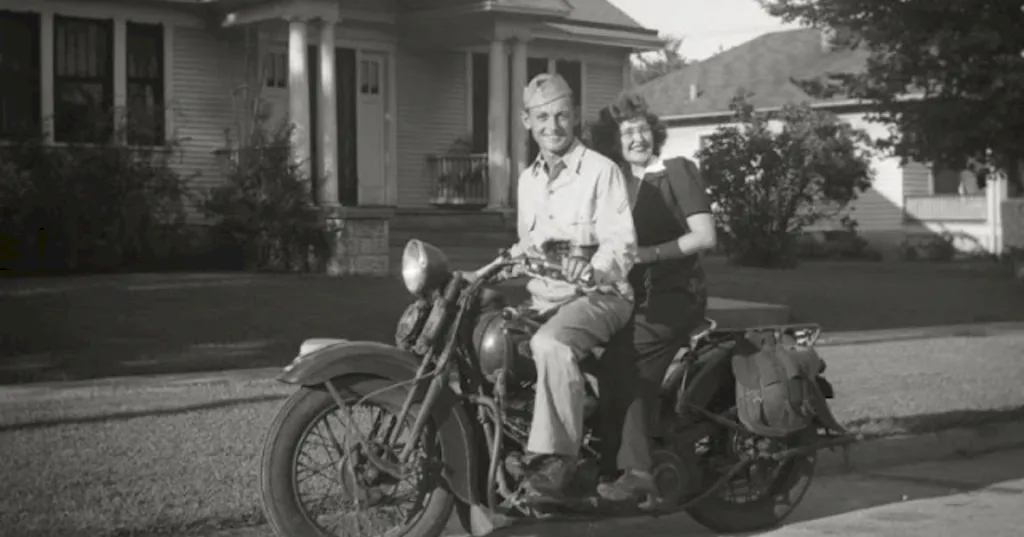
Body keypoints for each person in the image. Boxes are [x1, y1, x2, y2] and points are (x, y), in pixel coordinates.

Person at [505, 73, 638, 503]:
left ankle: (556, 461)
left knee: (551, 345)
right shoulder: (528, 180)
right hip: (545, 298)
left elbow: (621, 244)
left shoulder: (601, 172)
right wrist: (486, 271)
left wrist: (593, 269)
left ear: (574, 117)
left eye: (561, 115)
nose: (552, 125)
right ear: (527, 120)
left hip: (602, 296)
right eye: (542, 116)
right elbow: (529, 245)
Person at [585, 92, 718, 502]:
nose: (637, 138)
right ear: (616, 141)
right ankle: (595, 465)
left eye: (642, 129)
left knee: (626, 363)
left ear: (655, 133)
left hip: (673, 297)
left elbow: (705, 236)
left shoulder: (675, 171)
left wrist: (647, 254)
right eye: (627, 132)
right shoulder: (618, 182)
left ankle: (636, 471)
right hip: (630, 297)